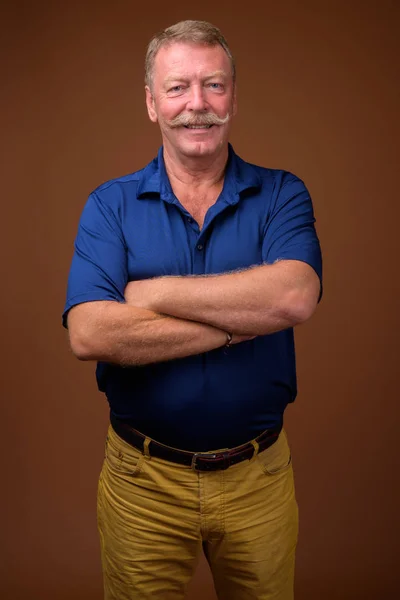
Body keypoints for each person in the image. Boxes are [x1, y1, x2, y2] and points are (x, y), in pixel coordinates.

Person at [63, 19, 322, 600]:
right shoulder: (110, 205)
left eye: (214, 85)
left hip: (258, 477)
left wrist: (149, 294)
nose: (196, 105)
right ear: (152, 104)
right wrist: (243, 320)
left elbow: (295, 296)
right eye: (177, 88)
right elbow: (90, 334)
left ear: (234, 96)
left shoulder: (283, 194)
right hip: (142, 483)